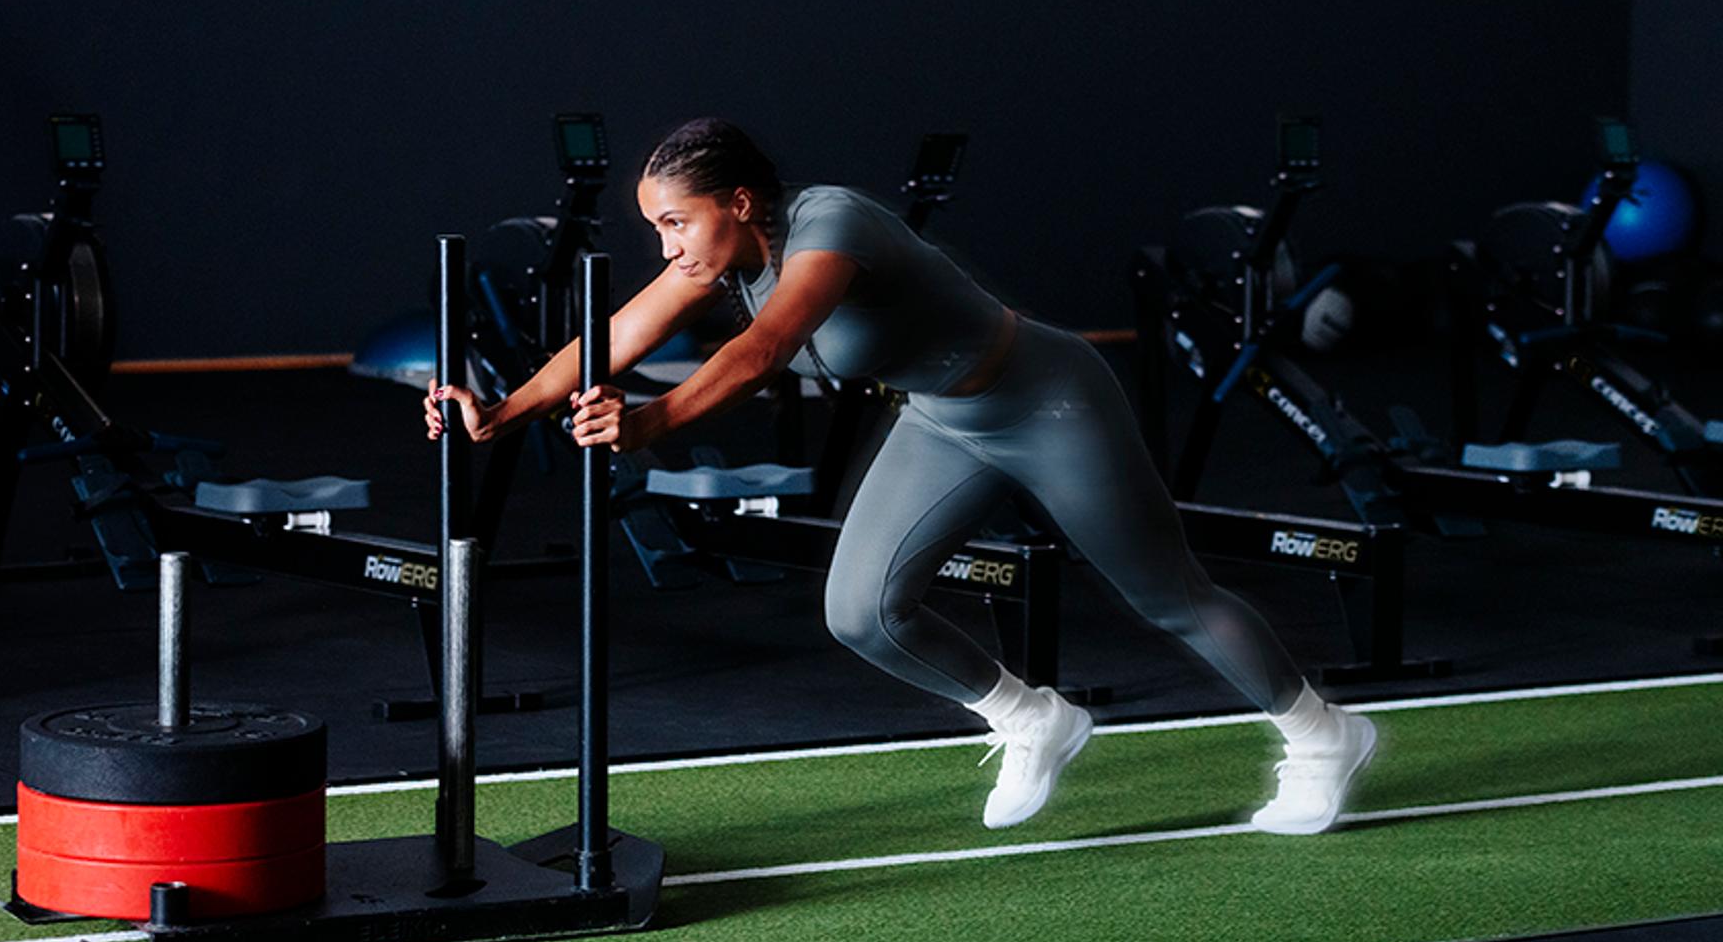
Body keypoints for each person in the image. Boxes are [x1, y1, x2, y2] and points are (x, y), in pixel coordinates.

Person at [426, 117, 1376, 834]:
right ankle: (1031, 715)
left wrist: (653, 420)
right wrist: (498, 414)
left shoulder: (831, 223)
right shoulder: (715, 258)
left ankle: (1324, 733)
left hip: (1047, 401)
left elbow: (766, 348)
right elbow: (615, 335)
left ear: (741, 203)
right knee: (860, 611)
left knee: (1168, 595)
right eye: (659, 227)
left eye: (677, 221)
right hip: (943, 422)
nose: (667, 244)